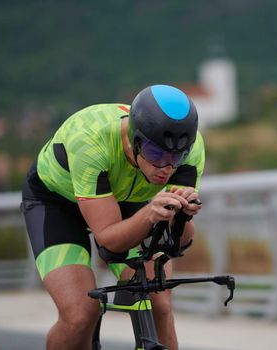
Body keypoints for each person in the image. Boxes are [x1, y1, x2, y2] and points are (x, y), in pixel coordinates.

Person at [21, 84, 205, 350]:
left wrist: (183, 217)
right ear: (134, 140)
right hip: (57, 202)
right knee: (81, 313)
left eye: (177, 156)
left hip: (126, 199)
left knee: (159, 302)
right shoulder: (91, 141)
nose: (166, 167)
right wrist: (150, 215)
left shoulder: (191, 149)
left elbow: (180, 244)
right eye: (155, 154)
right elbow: (109, 240)